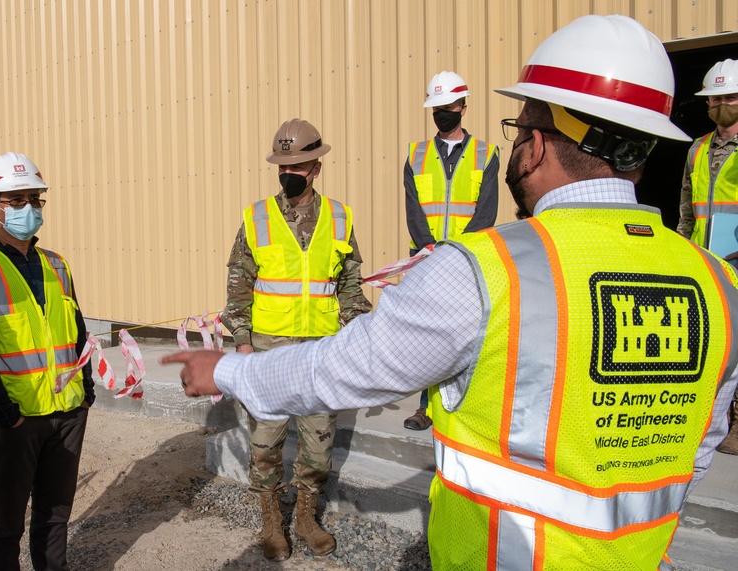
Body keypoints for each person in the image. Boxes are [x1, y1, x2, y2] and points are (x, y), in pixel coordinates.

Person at [165, 15, 738, 570]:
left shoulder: (486, 272)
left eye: (516, 130)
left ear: (535, 146)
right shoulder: (721, 286)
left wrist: (227, 372)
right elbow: (699, 447)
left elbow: (351, 364)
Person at [221, 118, 372, 561]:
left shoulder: (340, 217)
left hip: (321, 352)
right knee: (265, 444)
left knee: (319, 446)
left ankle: (305, 516)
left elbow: (349, 283)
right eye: (283, 165)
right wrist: (243, 342)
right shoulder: (256, 216)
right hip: (267, 351)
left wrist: (359, 328)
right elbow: (238, 285)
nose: (289, 173)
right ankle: (272, 521)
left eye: (298, 166)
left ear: (316, 168)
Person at [0, 152, 94, 571]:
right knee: (6, 521)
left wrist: (85, 392)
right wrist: (3, 413)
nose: (28, 208)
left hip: (67, 414)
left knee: (55, 515)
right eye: (17, 201)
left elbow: (78, 331)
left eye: (34, 198)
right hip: (18, 419)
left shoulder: (57, 264)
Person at [402, 71, 500, 432]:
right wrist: (431, 250)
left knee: (467, 335)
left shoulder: (486, 154)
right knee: (428, 336)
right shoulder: (416, 155)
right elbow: (414, 211)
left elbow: (485, 212)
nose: (443, 113)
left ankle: (465, 405)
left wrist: (457, 253)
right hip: (426, 260)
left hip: (467, 260)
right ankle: (426, 407)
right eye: (436, 108)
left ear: (463, 106)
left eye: (448, 107)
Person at [677, 58, 738, 455]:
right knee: (709, 343)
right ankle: (704, 417)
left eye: (728, 97)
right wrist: (681, 247)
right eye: (714, 98)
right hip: (703, 261)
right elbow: (686, 205)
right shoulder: (698, 148)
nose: (720, 105)